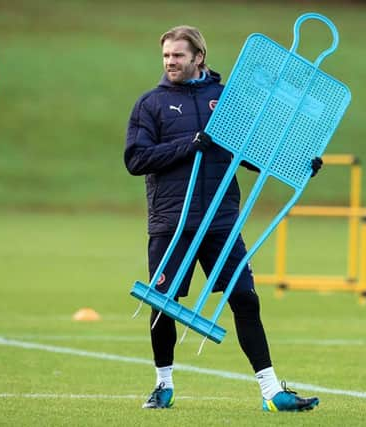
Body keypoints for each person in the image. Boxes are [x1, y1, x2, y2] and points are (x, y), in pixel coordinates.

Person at [124, 25, 323, 412]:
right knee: (162, 303)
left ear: (199, 57)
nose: (170, 62)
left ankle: (271, 392)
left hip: (221, 221)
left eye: (178, 55)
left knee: (245, 299)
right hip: (172, 221)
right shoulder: (151, 104)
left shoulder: (226, 99)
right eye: (166, 55)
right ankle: (162, 385)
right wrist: (189, 145)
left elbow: (251, 153)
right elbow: (136, 159)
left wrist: (299, 165)